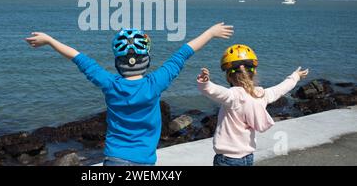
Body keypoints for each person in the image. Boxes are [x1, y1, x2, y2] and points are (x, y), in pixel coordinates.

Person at [25, 22, 234, 166]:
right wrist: (210, 32)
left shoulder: (110, 84)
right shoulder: (155, 83)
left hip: (114, 158)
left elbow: (80, 59)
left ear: (117, 62)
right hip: (144, 160)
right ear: (147, 60)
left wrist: (50, 40)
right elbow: (183, 54)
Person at [196, 44, 309, 166]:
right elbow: (280, 89)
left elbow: (216, 91)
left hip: (227, 159)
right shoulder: (260, 94)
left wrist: (205, 83)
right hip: (248, 158)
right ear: (254, 73)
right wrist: (295, 76)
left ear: (228, 77)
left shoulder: (233, 96)